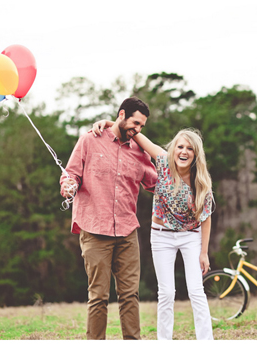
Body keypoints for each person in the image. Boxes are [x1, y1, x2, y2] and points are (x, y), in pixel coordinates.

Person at [92, 121, 215, 340]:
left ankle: (206, 340)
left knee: (196, 291)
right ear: (173, 149)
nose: (184, 152)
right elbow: (137, 134)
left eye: (190, 149)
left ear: (196, 155)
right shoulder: (163, 162)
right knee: (166, 293)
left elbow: (205, 218)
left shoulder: (201, 181)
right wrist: (112, 123)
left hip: (191, 237)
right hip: (162, 236)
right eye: (180, 147)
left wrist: (204, 252)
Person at [60, 97, 157, 340]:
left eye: (142, 126)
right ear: (122, 114)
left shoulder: (139, 151)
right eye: (135, 123)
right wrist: (69, 185)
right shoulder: (89, 140)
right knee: (98, 296)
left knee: (130, 295)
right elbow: (70, 174)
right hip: (94, 229)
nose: (138, 129)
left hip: (127, 231)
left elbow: (155, 183)